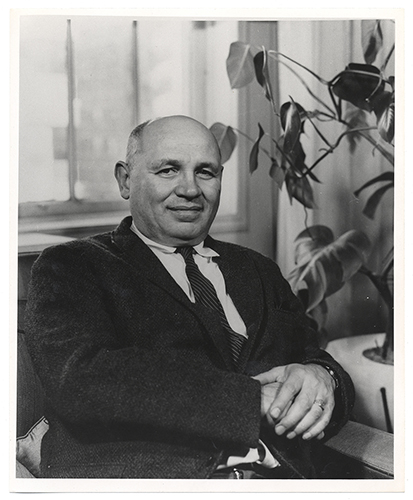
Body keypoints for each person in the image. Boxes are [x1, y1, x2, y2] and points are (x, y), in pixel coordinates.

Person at [25, 115, 355, 479]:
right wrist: (246, 401)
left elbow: (313, 355)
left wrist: (324, 378)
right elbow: (82, 381)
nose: (190, 189)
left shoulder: (258, 270)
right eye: (168, 170)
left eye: (206, 172)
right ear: (124, 179)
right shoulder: (74, 266)